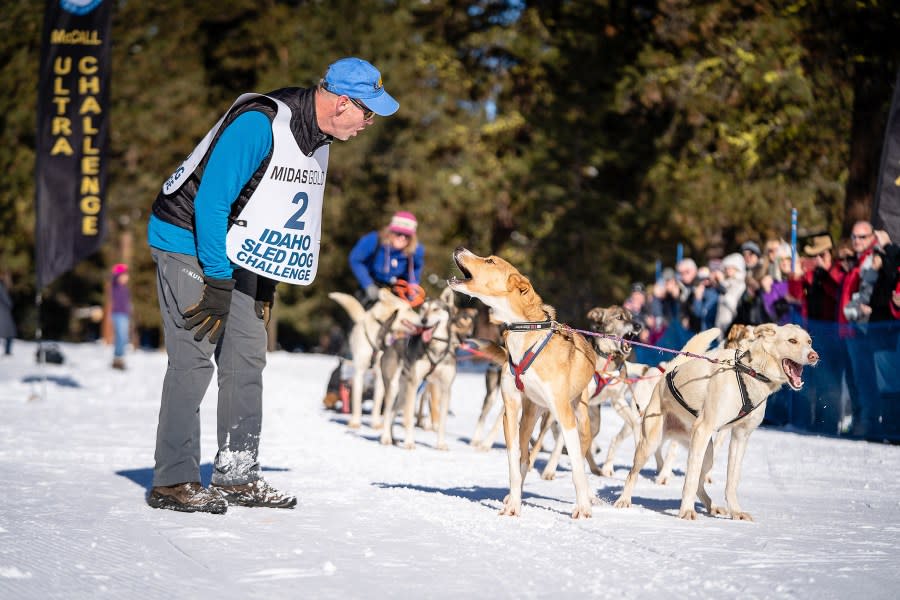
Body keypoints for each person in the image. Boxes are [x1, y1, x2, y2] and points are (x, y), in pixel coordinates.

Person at [145, 57, 399, 513]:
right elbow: (211, 203)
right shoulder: (260, 124)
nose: (369, 123)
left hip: (234, 246)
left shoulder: (318, 139)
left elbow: (273, 217)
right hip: (186, 235)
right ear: (343, 102)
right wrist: (219, 281)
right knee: (194, 355)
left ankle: (237, 476)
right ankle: (173, 480)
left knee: (247, 352)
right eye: (368, 112)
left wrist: (263, 285)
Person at [348, 210, 424, 307]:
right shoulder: (374, 240)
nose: (402, 238)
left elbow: (414, 271)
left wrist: (412, 290)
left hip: (395, 292)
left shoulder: (416, 250)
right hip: (370, 287)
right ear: (391, 231)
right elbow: (355, 260)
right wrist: (367, 284)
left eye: (407, 235)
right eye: (398, 233)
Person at [109, 264, 131, 370]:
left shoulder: (125, 288)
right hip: (118, 314)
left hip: (125, 315)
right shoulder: (115, 285)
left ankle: (118, 359)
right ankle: (118, 359)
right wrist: (120, 269)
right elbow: (113, 277)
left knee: (123, 338)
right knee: (121, 337)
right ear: (119, 276)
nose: (127, 278)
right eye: (125, 275)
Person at [0, 271, 14, 356]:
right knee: (9, 332)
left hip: (3, 313)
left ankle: (7, 351)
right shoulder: (1, 287)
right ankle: (7, 351)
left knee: (9, 332)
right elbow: (8, 302)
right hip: (3, 313)